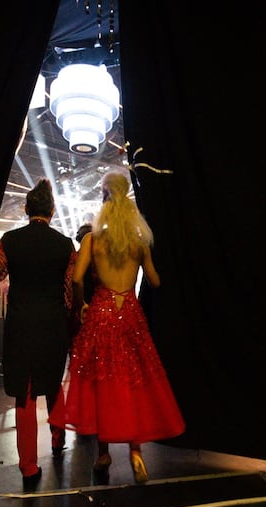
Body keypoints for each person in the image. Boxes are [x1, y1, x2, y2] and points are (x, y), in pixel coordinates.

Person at [49, 170, 185, 484]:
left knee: (102, 384)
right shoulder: (139, 241)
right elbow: (155, 281)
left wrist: (82, 304)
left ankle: (103, 453)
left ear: (104, 198)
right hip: (131, 316)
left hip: (101, 313)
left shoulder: (92, 239)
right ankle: (136, 452)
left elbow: (77, 278)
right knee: (133, 383)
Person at [0, 177, 76, 489]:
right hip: (53, 324)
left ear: (26, 209)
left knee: (25, 394)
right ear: (52, 211)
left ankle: (28, 467)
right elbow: (69, 293)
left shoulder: (9, 242)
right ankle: (57, 438)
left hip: (21, 325)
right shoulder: (66, 246)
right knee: (53, 383)